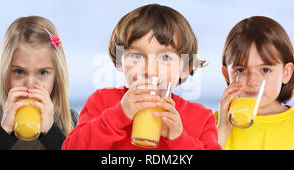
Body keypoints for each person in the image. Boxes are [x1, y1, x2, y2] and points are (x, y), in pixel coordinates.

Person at [62, 4, 221, 150]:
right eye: (137, 56)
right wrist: (118, 115)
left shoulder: (202, 118)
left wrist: (180, 139)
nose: (149, 70)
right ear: (119, 62)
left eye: (165, 58)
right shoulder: (102, 101)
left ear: (186, 68)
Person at [217, 16, 294, 150]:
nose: (252, 82)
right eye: (241, 70)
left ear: (286, 73)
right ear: (227, 74)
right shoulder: (212, 124)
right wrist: (222, 131)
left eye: (265, 70)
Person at [0, 16, 78, 150]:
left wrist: (51, 131)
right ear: (5, 73)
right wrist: (4, 130)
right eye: (19, 72)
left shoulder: (69, 120)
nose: (30, 85)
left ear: (56, 77)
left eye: (42, 73)